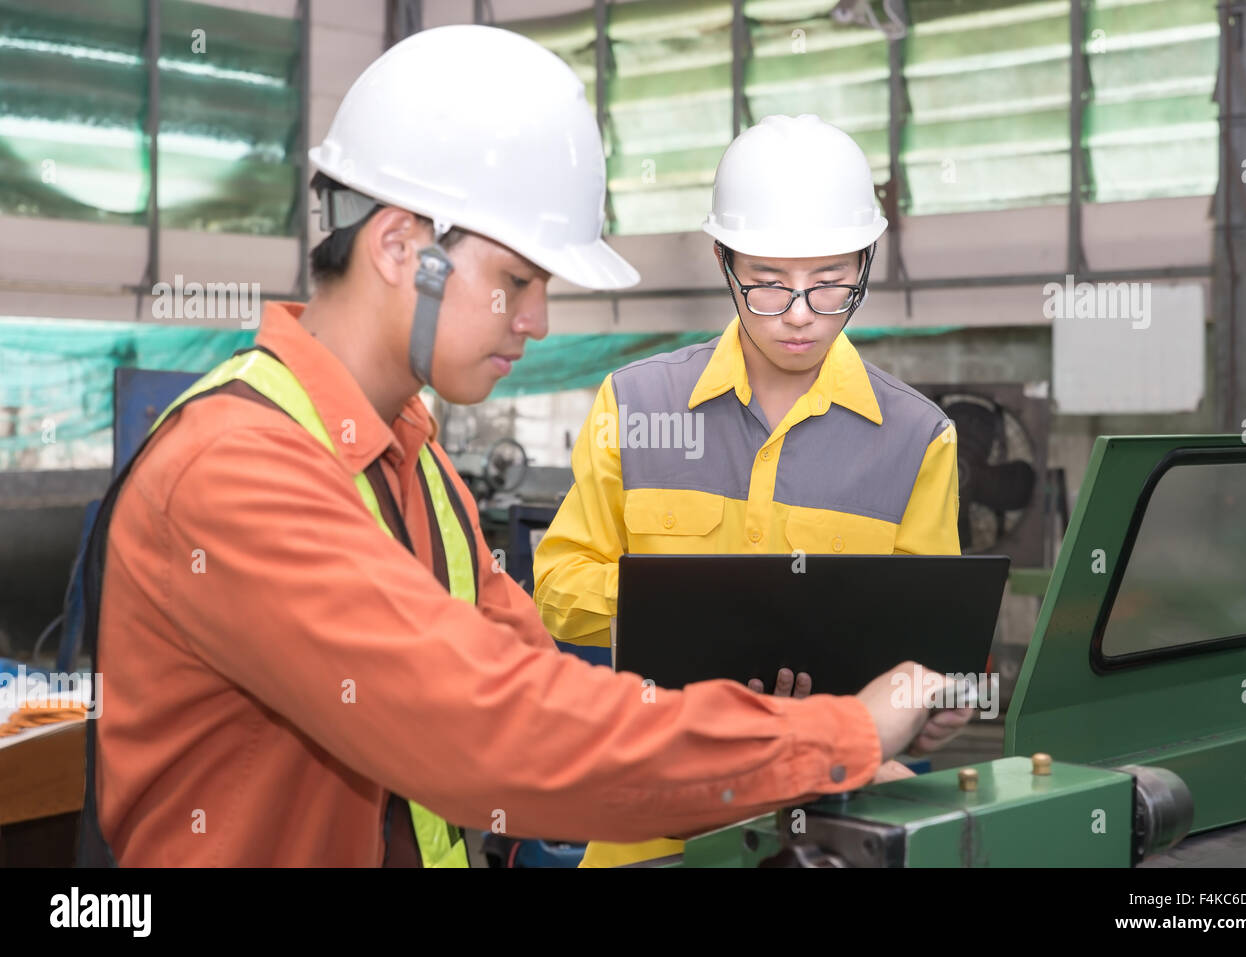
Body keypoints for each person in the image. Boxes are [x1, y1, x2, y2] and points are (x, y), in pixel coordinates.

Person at [79, 28, 970, 867]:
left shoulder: (416, 465)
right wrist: (840, 734)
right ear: (401, 247)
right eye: (515, 280)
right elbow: (495, 730)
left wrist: (803, 764)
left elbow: (553, 698)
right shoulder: (238, 468)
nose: (538, 322)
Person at [533, 114, 961, 867]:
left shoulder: (917, 439)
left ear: (866, 264)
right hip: (650, 820)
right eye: (768, 284)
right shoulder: (636, 405)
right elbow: (557, 588)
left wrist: (934, 705)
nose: (799, 314)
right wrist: (700, 621)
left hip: (832, 821)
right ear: (724, 262)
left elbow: (930, 643)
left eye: (830, 284)